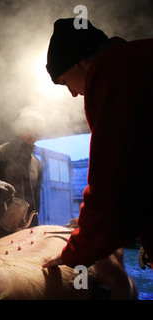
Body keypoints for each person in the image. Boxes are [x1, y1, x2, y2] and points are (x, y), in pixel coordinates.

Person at [42, 18, 153, 269]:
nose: (71, 92)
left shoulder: (115, 72)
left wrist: (75, 252)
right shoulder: (139, 58)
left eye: (63, 81)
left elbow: (112, 188)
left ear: (80, 61)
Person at [0, 111, 43, 242]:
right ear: (20, 128)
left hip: (25, 233)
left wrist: (34, 229)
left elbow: (36, 202)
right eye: (29, 129)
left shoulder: (37, 164)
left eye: (37, 131)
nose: (33, 134)